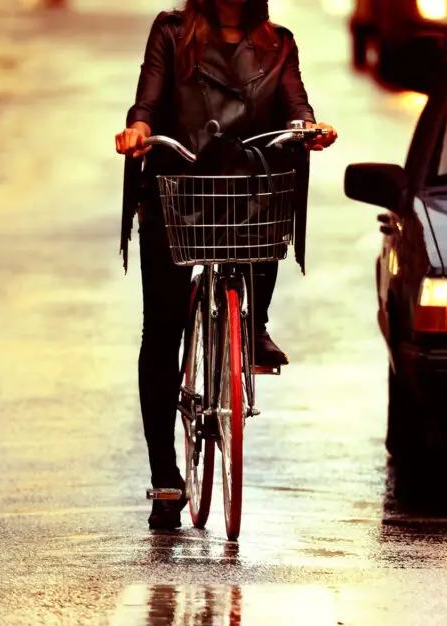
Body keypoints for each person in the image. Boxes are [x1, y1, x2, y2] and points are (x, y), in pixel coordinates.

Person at [115, 0, 338, 530]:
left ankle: (253, 324)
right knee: (163, 328)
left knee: (269, 216)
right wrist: (138, 130)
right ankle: (166, 478)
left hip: (245, 193)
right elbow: (146, 101)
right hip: (178, 189)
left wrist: (310, 128)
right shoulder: (172, 33)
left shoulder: (278, 43)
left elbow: (294, 106)